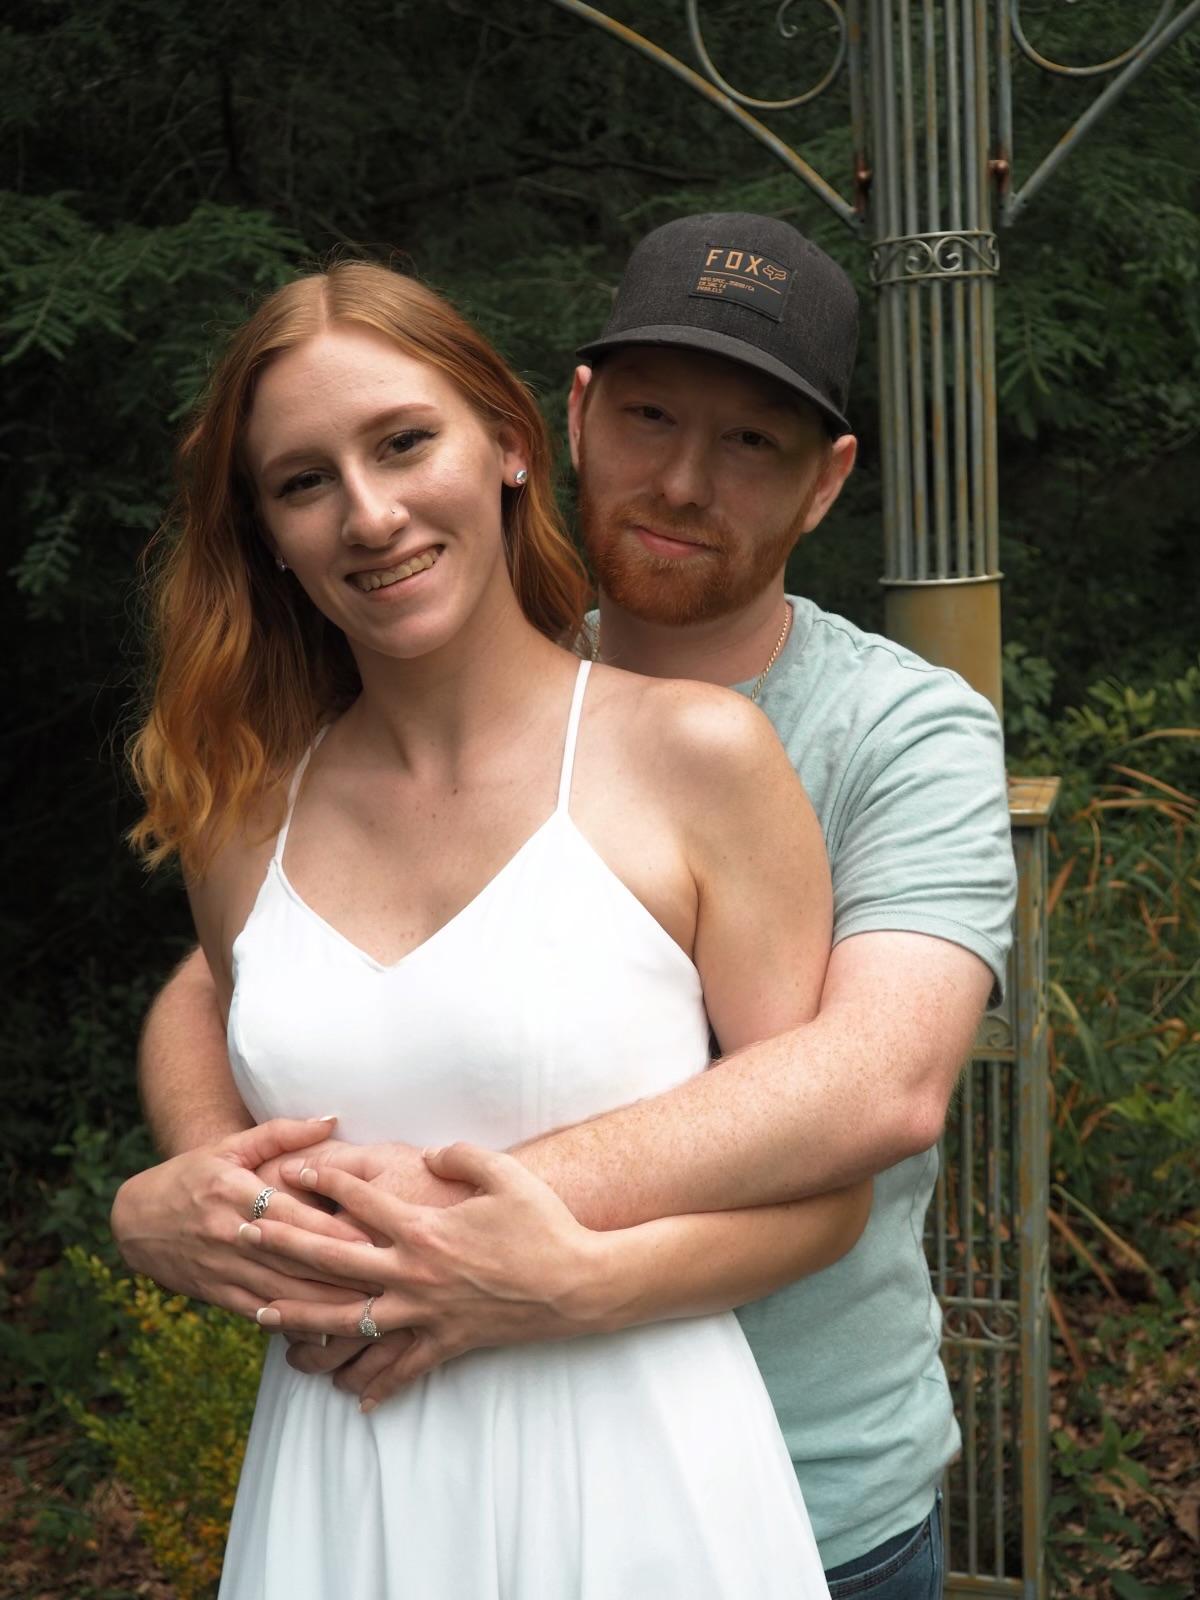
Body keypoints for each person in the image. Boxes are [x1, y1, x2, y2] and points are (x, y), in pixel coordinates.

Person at [115, 214, 1017, 1598]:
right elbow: (239, 976)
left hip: (790, 1477)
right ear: (572, 419)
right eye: (652, 416)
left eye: (753, 442)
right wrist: (196, 1193)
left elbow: (877, 1087)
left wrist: (462, 1238)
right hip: (367, 1474)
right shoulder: (392, 688)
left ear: (827, 482)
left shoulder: (889, 733)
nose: (686, 479)